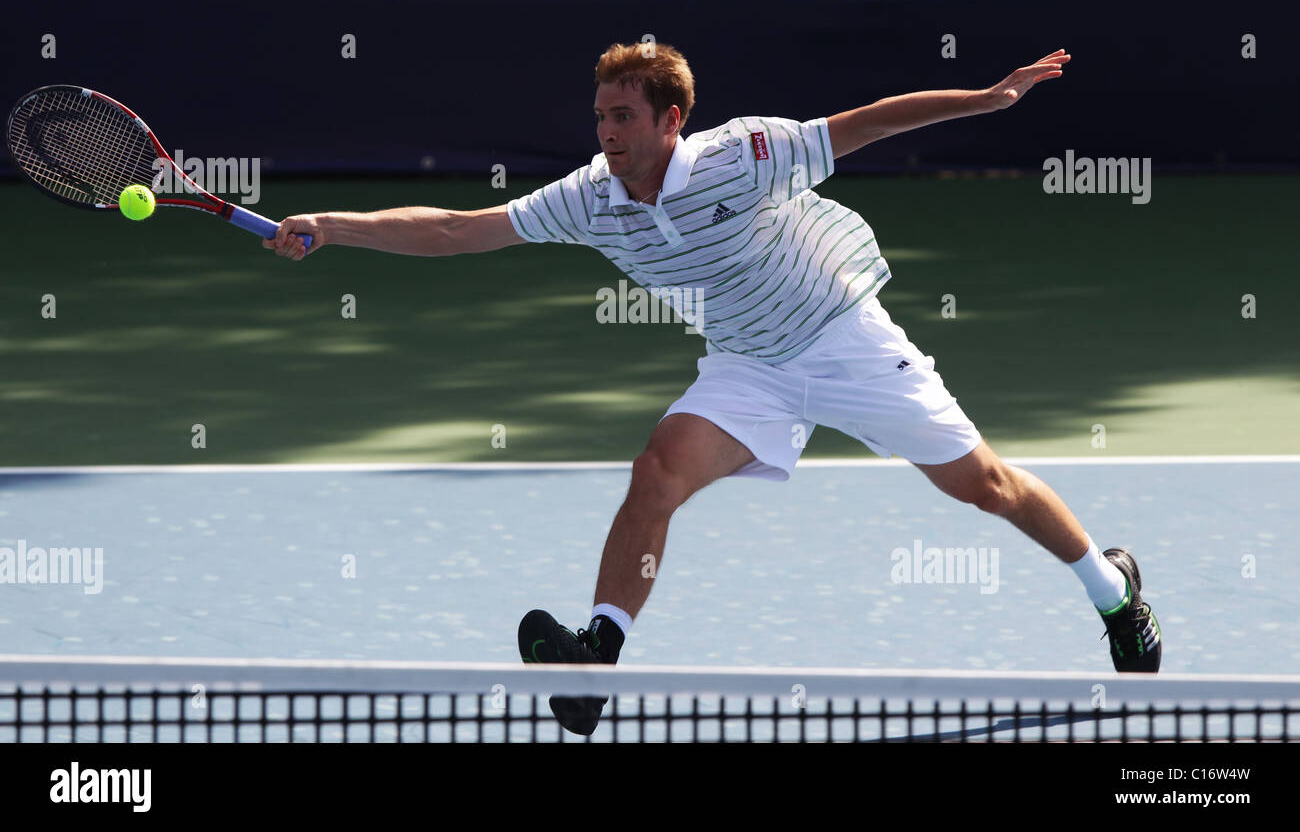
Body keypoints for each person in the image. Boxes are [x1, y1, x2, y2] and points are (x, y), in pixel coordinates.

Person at [266, 42, 1162, 737]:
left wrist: (988, 97)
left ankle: (1115, 596)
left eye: (622, 116)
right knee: (657, 470)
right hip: (749, 365)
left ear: (672, 118)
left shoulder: (747, 153)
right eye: (599, 117)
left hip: (844, 337)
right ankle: (596, 661)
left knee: (985, 487)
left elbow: (867, 124)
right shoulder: (591, 196)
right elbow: (463, 231)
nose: (606, 133)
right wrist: (334, 228)